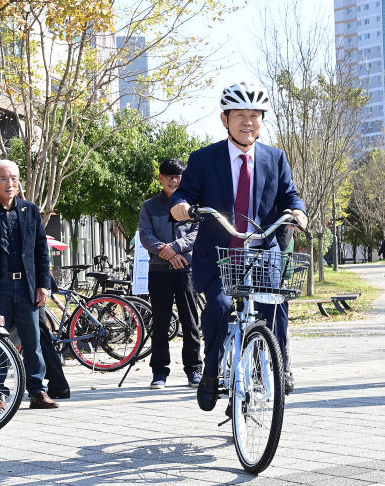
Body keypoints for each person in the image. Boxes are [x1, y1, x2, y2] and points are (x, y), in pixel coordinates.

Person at [170, 81, 307, 412]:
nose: (248, 122)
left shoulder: (276, 158)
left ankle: (279, 364)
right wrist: (181, 205)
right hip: (220, 256)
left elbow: (289, 193)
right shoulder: (204, 159)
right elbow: (184, 192)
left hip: (263, 251)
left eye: (255, 115)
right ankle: (211, 371)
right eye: (240, 115)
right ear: (225, 119)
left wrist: (298, 210)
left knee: (274, 307)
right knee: (217, 308)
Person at [0, 160, 57, 409]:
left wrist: (43, 284)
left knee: (32, 340)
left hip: (26, 286)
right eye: (4, 179)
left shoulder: (30, 210)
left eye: (14, 178)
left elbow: (41, 250)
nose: (10, 183)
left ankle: (37, 391)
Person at [139, 158, 202, 390]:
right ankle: (159, 372)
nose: (174, 180)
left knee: (190, 321)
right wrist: (166, 252)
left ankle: (194, 369)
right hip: (159, 270)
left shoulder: (192, 205)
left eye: (178, 177)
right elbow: (145, 235)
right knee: (160, 321)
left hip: (187, 269)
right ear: (161, 178)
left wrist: (174, 248)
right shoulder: (149, 206)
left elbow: (196, 233)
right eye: (169, 176)